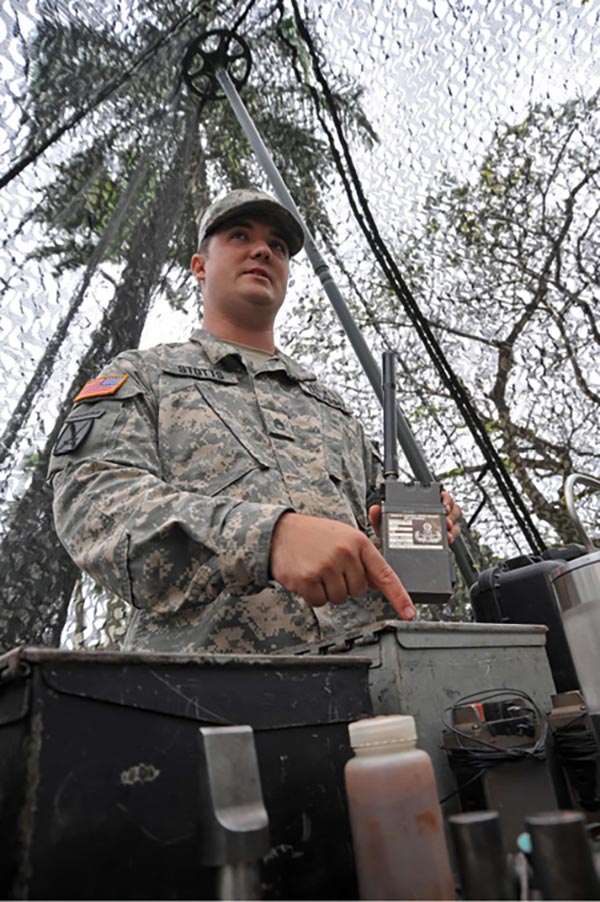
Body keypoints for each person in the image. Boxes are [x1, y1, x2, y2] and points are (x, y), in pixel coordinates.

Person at [49, 188, 461, 654]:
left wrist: (402, 533)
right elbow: (92, 500)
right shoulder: (143, 377)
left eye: (279, 247)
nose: (263, 250)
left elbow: (370, 531)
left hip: (372, 681)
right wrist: (266, 538)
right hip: (209, 693)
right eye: (239, 235)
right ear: (200, 267)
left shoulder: (334, 412)